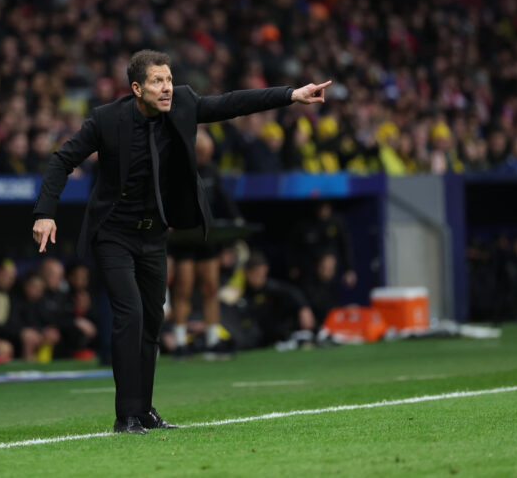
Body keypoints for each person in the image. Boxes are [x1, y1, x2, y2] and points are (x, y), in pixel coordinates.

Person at [32, 49, 331, 434]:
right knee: (131, 315)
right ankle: (125, 415)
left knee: (154, 320)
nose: (167, 87)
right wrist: (44, 212)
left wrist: (290, 94)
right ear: (137, 88)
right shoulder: (106, 120)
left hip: (155, 233)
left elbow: (232, 104)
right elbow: (61, 160)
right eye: (158, 81)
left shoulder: (184, 104)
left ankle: (144, 410)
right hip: (113, 234)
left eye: (169, 79)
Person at [169, 129, 240, 359]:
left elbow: (223, 200)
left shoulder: (212, 172)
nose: (205, 158)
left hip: (208, 239)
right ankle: (180, 341)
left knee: (211, 287)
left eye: (207, 154)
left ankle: (212, 338)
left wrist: (235, 223)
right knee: (183, 289)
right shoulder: (179, 172)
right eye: (201, 153)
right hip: (185, 239)